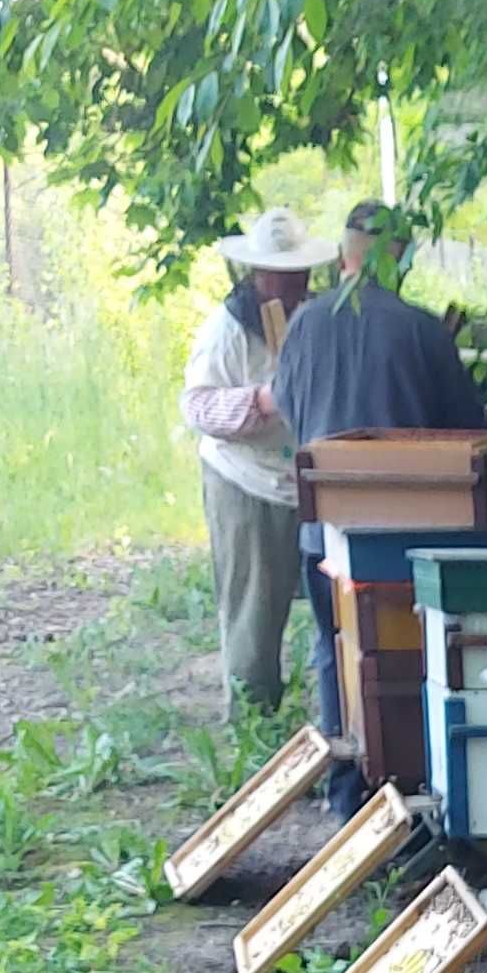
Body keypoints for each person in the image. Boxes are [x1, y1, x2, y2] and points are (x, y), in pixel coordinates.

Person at [271, 201, 487, 773]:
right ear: (398, 258)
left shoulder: (303, 325)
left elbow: (291, 413)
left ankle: (347, 791)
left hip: (325, 531)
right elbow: (469, 432)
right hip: (408, 535)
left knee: (335, 652)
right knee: (418, 660)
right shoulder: (420, 330)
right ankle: (420, 775)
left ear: (343, 257)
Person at [179, 205, 324, 716]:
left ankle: (323, 705)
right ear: (258, 273)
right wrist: (261, 401)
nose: (292, 282)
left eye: (298, 273)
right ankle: (251, 718)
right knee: (253, 610)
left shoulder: (313, 316)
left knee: (331, 600)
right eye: (282, 274)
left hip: (304, 478)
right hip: (244, 480)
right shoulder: (227, 329)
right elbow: (196, 405)